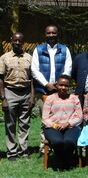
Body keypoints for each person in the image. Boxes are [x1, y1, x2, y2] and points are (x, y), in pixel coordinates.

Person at [31, 25, 72, 155]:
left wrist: (59, 84)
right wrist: (46, 84)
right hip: (44, 91)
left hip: (62, 91)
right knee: (46, 120)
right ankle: (44, 148)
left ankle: (59, 146)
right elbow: (34, 69)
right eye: (49, 33)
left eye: (53, 33)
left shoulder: (65, 50)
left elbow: (68, 68)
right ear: (45, 34)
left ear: (57, 34)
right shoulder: (38, 50)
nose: (51, 35)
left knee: (62, 118)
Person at [0, 32, 35, 161]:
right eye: (15, 40)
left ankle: (24, 150)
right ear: (11, 41)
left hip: (25, 92)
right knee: (10, 124)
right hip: (10, 92)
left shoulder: (29, 58)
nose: (18, 43)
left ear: (23, 42)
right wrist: (3, 98)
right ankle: (12, 152)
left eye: (20, 41)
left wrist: (32, 96)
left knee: (24, 123)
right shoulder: (4, 58)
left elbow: (32, 79)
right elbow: (0, 79)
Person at [42, 75, 82, 170]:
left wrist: (68, 124)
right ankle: (61, 162)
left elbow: (79, 115)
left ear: (69, 87)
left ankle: (66, 163)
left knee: (69, 141)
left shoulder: (74, 98)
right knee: (58, 142)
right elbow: (45, 117)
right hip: (52, 127)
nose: (63, 88)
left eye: (66, 86)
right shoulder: (50, 98)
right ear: (56, 85)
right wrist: (55, 125)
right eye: (60, 85)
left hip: (71, 127)